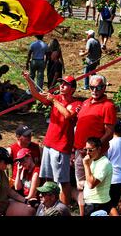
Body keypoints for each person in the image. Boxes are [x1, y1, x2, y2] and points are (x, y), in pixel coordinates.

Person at [23, 72, 81, 205]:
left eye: (66, 84)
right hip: (49, 144)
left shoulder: (77, 103)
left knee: (63, 181)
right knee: (48, 178)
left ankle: (63, 208)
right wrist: (29, 80)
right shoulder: (57, 98)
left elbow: (67, 115)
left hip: (61, 147)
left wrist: (54, 100)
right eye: (61, 83)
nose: (62, 86)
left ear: (72, 89)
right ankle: (49, 204)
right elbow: (36, 95)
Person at [74, 74, 116, 216]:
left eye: (98, 87)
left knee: (95, 188)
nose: (94, 90)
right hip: (79, 152)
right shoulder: (85, 103)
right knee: (81, 186)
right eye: (91, 87)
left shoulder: (108, 105)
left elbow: (109, 132)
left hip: (96, 155)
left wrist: (93, 150)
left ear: (104, 88)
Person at [82, 137, 113, 216]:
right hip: (89, 203)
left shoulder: (104, 163)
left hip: (98, 204)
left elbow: (91, 184)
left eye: (91, 150)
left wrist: (86, 165)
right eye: (86, 150)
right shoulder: (92, 160)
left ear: (99, 149)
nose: (88, 153)